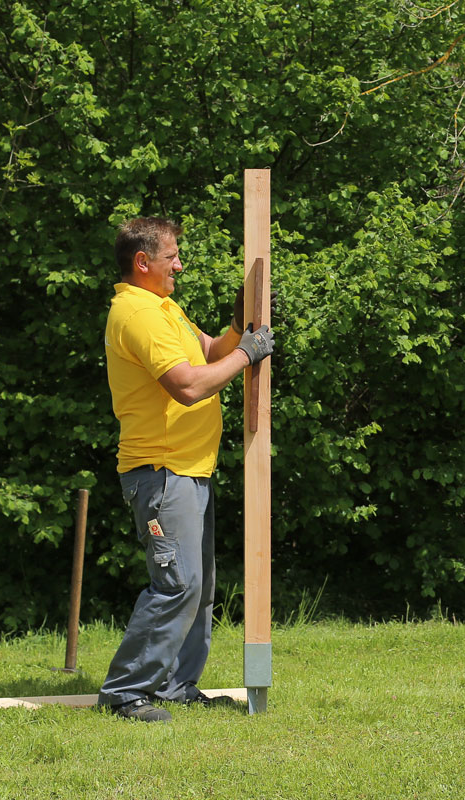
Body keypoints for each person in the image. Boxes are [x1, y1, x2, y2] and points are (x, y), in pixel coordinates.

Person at [97, 216, 273, 722]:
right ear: (142, 262)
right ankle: (126, 691)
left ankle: (175, 686)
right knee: (177, 584)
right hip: (161, 470)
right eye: (172, 255)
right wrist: (247, 353)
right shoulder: (137, 314)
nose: (179, 263)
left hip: (189, 468)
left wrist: (239, 330)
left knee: (199, 585)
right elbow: (189, 386)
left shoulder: (164, 309)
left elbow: (210, 353)